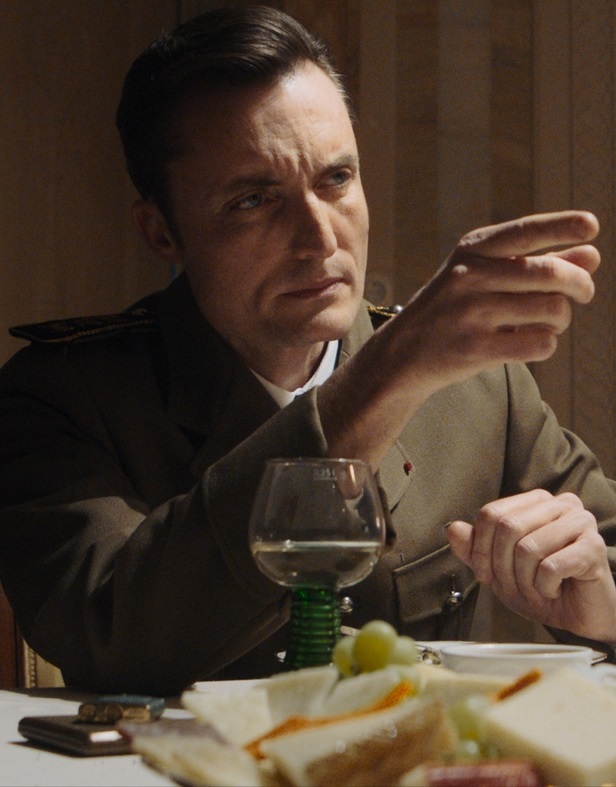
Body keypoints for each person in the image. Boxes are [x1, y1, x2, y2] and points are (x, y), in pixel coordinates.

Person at [0, 5, 615, 695]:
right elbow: (109, 632)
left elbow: (609, 549)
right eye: (254, 200)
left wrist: (603, 601)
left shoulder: (479, 389)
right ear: (161, 232)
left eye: (336, 180)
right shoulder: (63, 396)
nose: (320, 238)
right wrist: (386, 376)